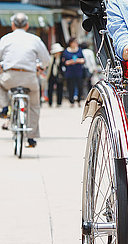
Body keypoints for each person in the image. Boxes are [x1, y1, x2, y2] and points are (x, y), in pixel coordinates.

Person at [0, 13, 50, 146]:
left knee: (1, 85)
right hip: (29, 77)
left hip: (10, 76)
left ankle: (5, 107)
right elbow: (46, 59)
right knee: (34, 105)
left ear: (12, 25)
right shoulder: (35, 39)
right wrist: (41, 67)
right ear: (27, 25)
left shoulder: (5, 39)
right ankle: (31, 137)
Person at [62, 37, 85, 107]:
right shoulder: (66, 51)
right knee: (70, 87)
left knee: (80, 86)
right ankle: (71, 101)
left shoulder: (79, 50)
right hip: (70, 72)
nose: (75, 44)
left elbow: (83, 60)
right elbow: (63, 62)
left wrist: (78, 60)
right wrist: (70, 62)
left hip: (78, 71)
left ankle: (79, 100)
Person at [46, 42, 64, 107]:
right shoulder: (50, 58)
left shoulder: (61, 58)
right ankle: (50, 102)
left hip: (59, 75)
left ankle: (59, 102)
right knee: (50, 89)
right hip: (51, 75)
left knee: (60, 89)